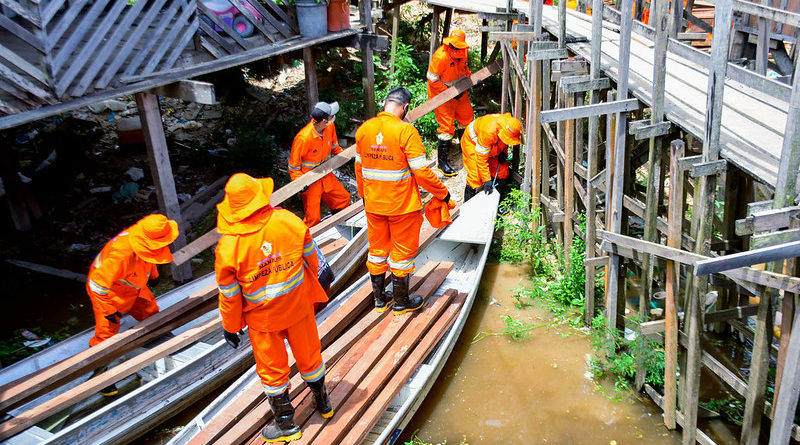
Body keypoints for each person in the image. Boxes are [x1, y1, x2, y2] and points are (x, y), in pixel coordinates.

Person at [215, 173, 331, 443]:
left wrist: (231, 328)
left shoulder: (229, 247)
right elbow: (313, 261)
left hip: (263, 320)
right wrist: (315, 292)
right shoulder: (288, 222)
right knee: (310, 356)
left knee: (272, 370)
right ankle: (324, 403)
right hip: (299, 307)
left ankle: (286, 425)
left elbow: (230, 297)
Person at [355, 87, 454, 315]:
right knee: (401, 254)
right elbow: (421, 173)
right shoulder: (406, 132)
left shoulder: (364, 130)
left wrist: (363, 196)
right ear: (405, 107)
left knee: (377, 250)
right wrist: (442, 193)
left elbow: (359, 169)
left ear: (385, 103)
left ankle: (380, 299)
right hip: (402, 207)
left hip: (373, 205)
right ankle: (401, 302)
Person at [86, 213, 179, 396]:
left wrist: (153, 275)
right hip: (111, 291)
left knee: (150, 310)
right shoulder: (120, 255)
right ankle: (101, 376)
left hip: (134, 283)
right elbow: (96, 286)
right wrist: (108, 311)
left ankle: (158, 339)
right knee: (106, 333)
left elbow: (150, 254)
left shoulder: (144, 237)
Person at [289, 101, 351, 227]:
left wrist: (346, 156)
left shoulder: (329, 127)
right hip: (310, 181)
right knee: (313, 219)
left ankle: (337, 226)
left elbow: (334, 147)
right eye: (331, 116)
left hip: (325, 174)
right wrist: (300, 183)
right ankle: (308, 243)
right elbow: (293, 166)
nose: (333, 118)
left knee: (342, 200)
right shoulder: (303, 138)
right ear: (324, 120)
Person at [427, 29, 474, 177]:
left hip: (460, 90)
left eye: (458, 47)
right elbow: (432, 80)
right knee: (446, 127)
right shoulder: (441, 57)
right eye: (453, 47)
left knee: (467, 118)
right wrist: (449, 93)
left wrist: (470, 78)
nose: (455, 50)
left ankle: (464, 149)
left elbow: (464, 68)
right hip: (441, 94)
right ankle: (442, 163)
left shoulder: (464, 52)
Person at [461, 112, 522, 207]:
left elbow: (504, 141)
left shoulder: (507, 127)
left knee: (502, 171)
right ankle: (467, 207)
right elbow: (481, 158)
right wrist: (486, 180)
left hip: (491, 145)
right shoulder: (489, 131)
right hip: (472, 143)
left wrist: (504, 153)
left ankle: (498, 203)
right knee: (476, 177)